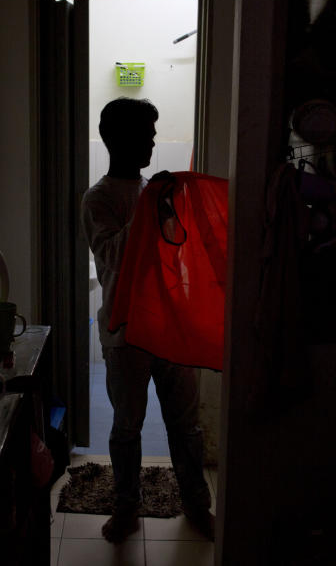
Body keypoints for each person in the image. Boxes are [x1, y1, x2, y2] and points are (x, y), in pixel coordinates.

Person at [80, 97, 214, 543]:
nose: (154, 143)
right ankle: (126, 509)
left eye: (154, 136)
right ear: (117, 140)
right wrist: (149, 207)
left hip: (170, 328)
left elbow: (177, 253)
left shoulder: (155, 193)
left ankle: (198, 505)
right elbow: (115, 257)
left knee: (187, 427)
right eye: (146, 135)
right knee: (126, 428)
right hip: (125, 335)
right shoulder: (97, 199)